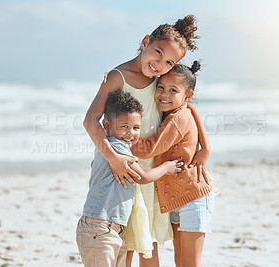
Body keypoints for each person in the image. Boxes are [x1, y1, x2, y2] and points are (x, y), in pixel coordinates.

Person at [83, 15, 211, 266]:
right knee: (125, 240)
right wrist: (113, 158)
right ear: (145, 42)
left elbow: (187, 105)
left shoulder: (159, 81)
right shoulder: (118, 76)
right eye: (158, 53)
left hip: (152, 172)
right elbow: (91, 120)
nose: (160, 64)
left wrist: (205, 147)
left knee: (146, 239)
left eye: (169, 62)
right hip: (124, 167)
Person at [76, 91, 184, 267]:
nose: (131, 133)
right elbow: (142, 177)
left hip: (113, 228)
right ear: (107, 126)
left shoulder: (107, 148)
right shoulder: (117, 146)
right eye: (124, 126)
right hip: (100, 226)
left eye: (136, 128)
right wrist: (167, 167)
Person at [131, 61, 217, 267]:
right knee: (181, 262)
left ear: (186, 95)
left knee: (189, 263)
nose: (164, 94)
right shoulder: (179, 111)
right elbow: (192, 108)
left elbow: (150, 148)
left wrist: (123, 138)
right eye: (161, 87)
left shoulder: (176, 119)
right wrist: (206, 147)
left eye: (173, 90)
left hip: (193, 197)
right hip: (178, 199)